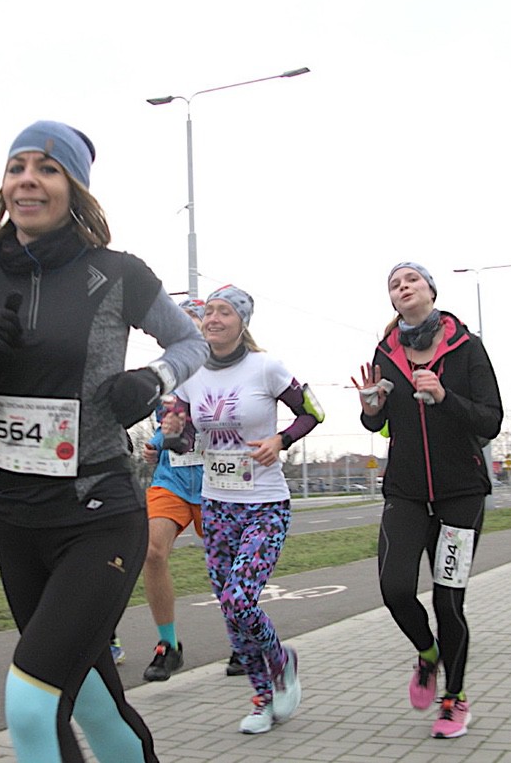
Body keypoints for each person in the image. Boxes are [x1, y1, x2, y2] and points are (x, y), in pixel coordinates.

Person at [0, 120, 208, 763]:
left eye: (48, 168)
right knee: (93, 706)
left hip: (99, 514)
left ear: (74, 188)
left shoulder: (117, 273)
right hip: (17, 520)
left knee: (30, 706)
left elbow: (189, 341)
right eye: (17, 167)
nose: (28, 180)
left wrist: (153, 378)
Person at [165, 284, 324, 734]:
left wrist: (281, 440)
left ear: (242, 322)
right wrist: (174, 431)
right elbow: (184, 441)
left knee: (240, 598)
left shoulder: (266, 367)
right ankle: (262, 697)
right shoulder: (192, 374)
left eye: (224, 312)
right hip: (217, 504)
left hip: (264, 504)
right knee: (229, 610)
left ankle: (280, 659)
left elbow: (313, 412)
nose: (213, 319)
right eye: (209, 312)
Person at [354, 262, 502, 740]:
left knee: (447, 600)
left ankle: (454, 698)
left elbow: (491, 420)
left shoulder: (467, 347)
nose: (403, 287)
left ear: (431, 291)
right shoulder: (386, 351)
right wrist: (371, 408)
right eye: (395, 284)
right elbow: (376, 423)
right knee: (395, 589)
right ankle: (428, 652)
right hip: (406, 491)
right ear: (392, 301)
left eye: (411, 280)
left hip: (461, 492)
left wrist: (444, 396)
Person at [131, 297, 245, 681]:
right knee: (151, 551)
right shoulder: (166, 375)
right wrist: (155, 445)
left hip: (218, 480)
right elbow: (165, 426)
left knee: (227, 564)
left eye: (193, 323)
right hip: (173, 480)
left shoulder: (227, 372)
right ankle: (168, 646)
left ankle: (242, 639)